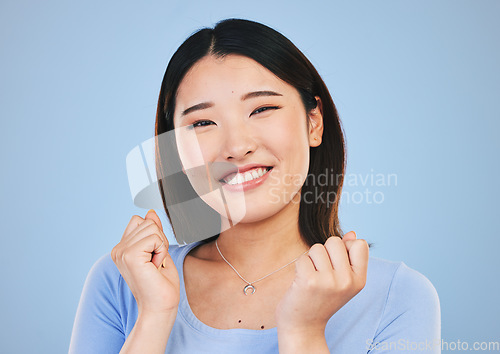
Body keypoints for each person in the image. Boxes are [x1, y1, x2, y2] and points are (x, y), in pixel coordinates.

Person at [69, 18, 441, 353]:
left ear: (314, 122)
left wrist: (304, 333)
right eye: (201, 123)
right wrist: (153, 317)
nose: (236, 147)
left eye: (262, 109)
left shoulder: (399, 297)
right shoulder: (122, 283)